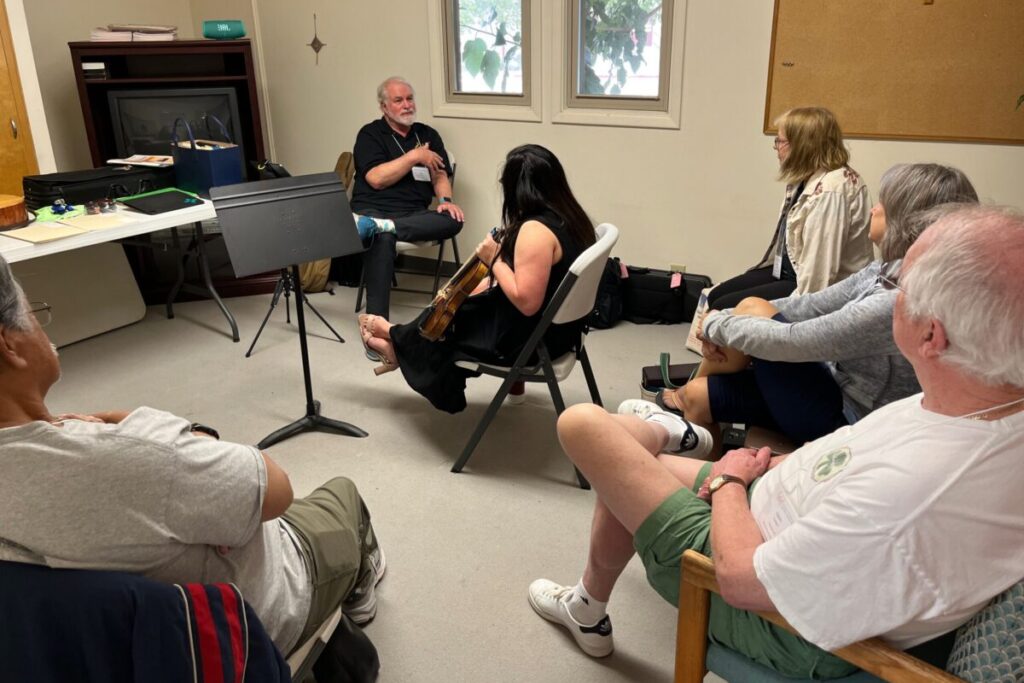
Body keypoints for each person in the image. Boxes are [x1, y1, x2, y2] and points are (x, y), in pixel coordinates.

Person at [527, 205, 1024, 679]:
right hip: (777, 506)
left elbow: (742, 580)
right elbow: (861, 461)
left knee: (587, 427)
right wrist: (770, 469)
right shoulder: (978, 400)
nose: (887, 292)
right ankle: (589, 603)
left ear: (932, 335)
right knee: (627, 454)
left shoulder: (917, 489)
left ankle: (673, 440)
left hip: (762, 600)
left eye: (899, 286)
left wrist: (727, 482)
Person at [0, 252, 383, 677]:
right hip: (240, 627)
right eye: (33, 313)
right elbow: (277, 490)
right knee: (342, 495)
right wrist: (142, 424)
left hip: (78, 653)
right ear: (8, 343)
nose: (40, 327)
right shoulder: (134, 456)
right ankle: (357, 591)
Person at [639, 164, 978, 450]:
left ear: (905, 220)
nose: (873, 209)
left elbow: (795, 341)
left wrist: (715, 326)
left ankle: (677, 408)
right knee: (702, 394)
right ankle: (693, 438)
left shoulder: (903, 300)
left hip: (848, 420)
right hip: (828, 387)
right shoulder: (885, 271)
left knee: (755, 313)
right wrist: (724, 318)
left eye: (882, 204)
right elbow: (812, 306)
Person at [358, 144, 597, 414]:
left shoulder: (535, 232)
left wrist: (493, 258)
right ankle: (396, 340)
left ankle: (392, 337)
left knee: (449, 320)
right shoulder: (573, 218)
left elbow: (527, 302)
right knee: (463, 301)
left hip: (534, 342)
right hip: (564, 333)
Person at [707, 107, 872, 309]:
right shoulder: (804, 179)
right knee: (715, 295)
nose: (777, 148)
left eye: (780, 141)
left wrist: (797, 316)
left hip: (812, 286)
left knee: (725, 306)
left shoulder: (831, 190)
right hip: (790, 270)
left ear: (803, 146)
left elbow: (819, 274)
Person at [350, 76, 465, 324]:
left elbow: (441, 175)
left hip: (413, 214)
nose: (407, 105)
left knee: (454, 219)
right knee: (381, 236)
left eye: (410, 98)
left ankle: (386, 228)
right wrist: (414, 157)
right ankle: (376, 325)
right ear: (384, 107)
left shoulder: (427, 134)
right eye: (398, 100)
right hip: (373, 209)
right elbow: (376, 179)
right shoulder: (370, 134)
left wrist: (445, 199)